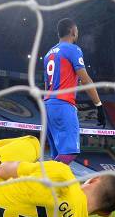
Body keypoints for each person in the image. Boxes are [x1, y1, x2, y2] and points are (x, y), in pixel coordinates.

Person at [44, 18, 106, 165]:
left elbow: (47, 85)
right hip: (63, 103)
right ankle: (38, 181)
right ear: (72, 31)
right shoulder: (73, 49)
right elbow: (85, 80)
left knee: (57, 156)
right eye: (77, 30)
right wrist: (99, 106)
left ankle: (52, 186)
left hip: (48, 105)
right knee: (69, 153)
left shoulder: (48, 54)